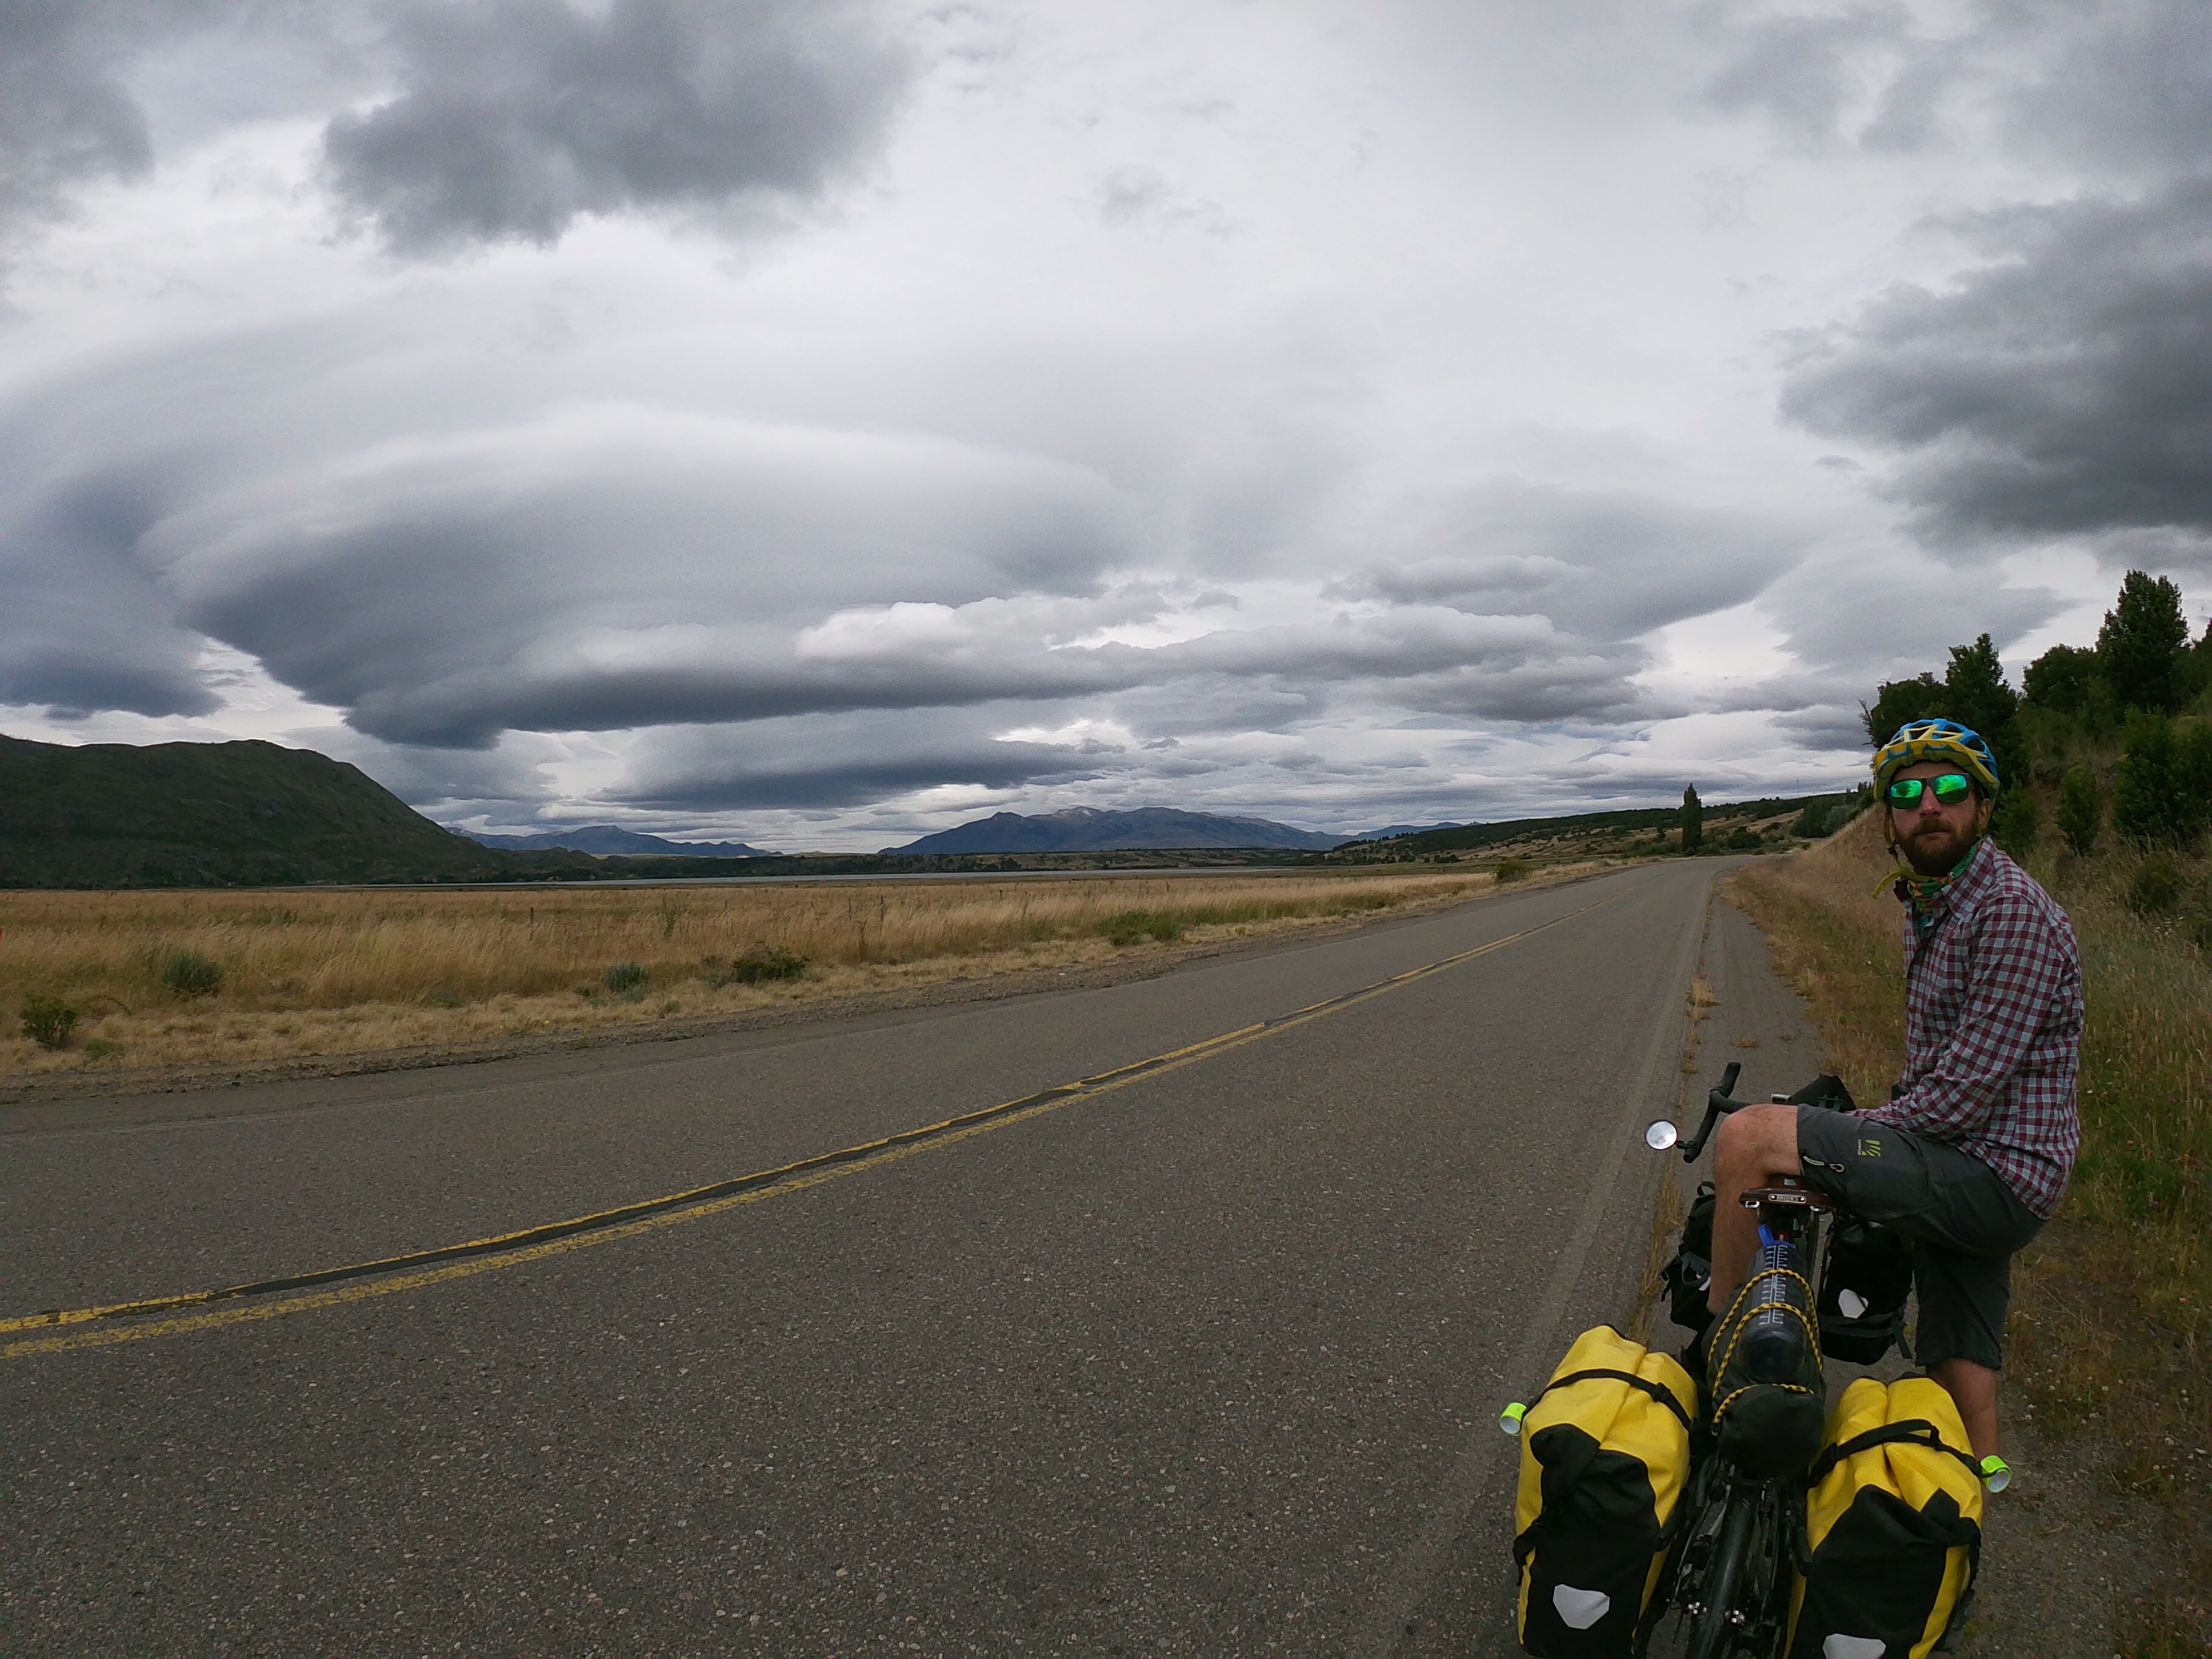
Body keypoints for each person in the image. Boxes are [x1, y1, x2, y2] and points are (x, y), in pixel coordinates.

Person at [1704, 718, 2083, 1458]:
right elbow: (1945, 1078)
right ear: (1889, 820)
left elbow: (1958, 1097)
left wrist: (1855, 1132)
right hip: (1982, 1163)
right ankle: (1958, 1513)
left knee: (1750, 1136)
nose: (1928, 806)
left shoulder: (2009, 910)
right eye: (1907, 795)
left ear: (1982, 807)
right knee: (1959, 1366)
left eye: (1950, 789)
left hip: (1987, 1171)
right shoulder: (1937, 902)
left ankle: (1715, 1362)